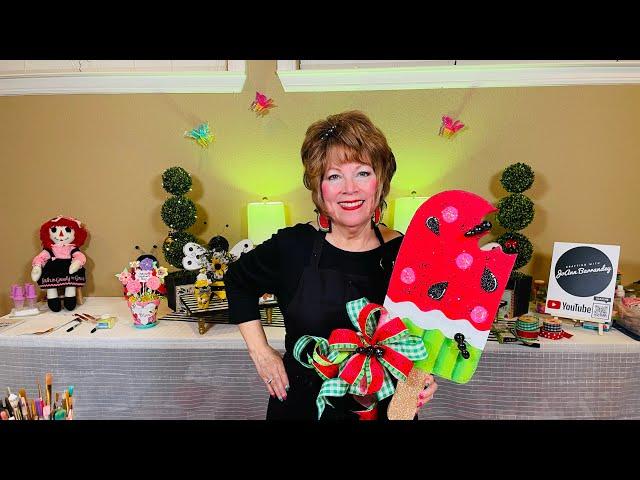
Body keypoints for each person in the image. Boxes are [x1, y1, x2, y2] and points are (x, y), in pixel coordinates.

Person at [226, 110, 438, 420]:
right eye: (334, 176)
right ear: (319, 189)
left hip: (384, 408)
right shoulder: (292, 247)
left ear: (380, 182)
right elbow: (237, 281)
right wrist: (261, 353)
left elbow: (424, 334)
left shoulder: (405, 254)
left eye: (363, 172)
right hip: (302, 409)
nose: (349, 188)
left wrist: (421, 381)